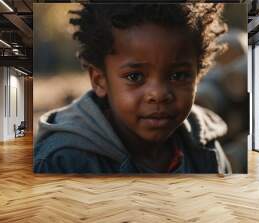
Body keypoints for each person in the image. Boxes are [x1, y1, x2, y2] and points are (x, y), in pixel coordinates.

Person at [33, 3, 232, 175]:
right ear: (100, 81)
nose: (159, 94)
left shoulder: (205, 147)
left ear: (198, 75)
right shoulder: (63, 161)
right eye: (135, 76)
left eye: (178, 75)